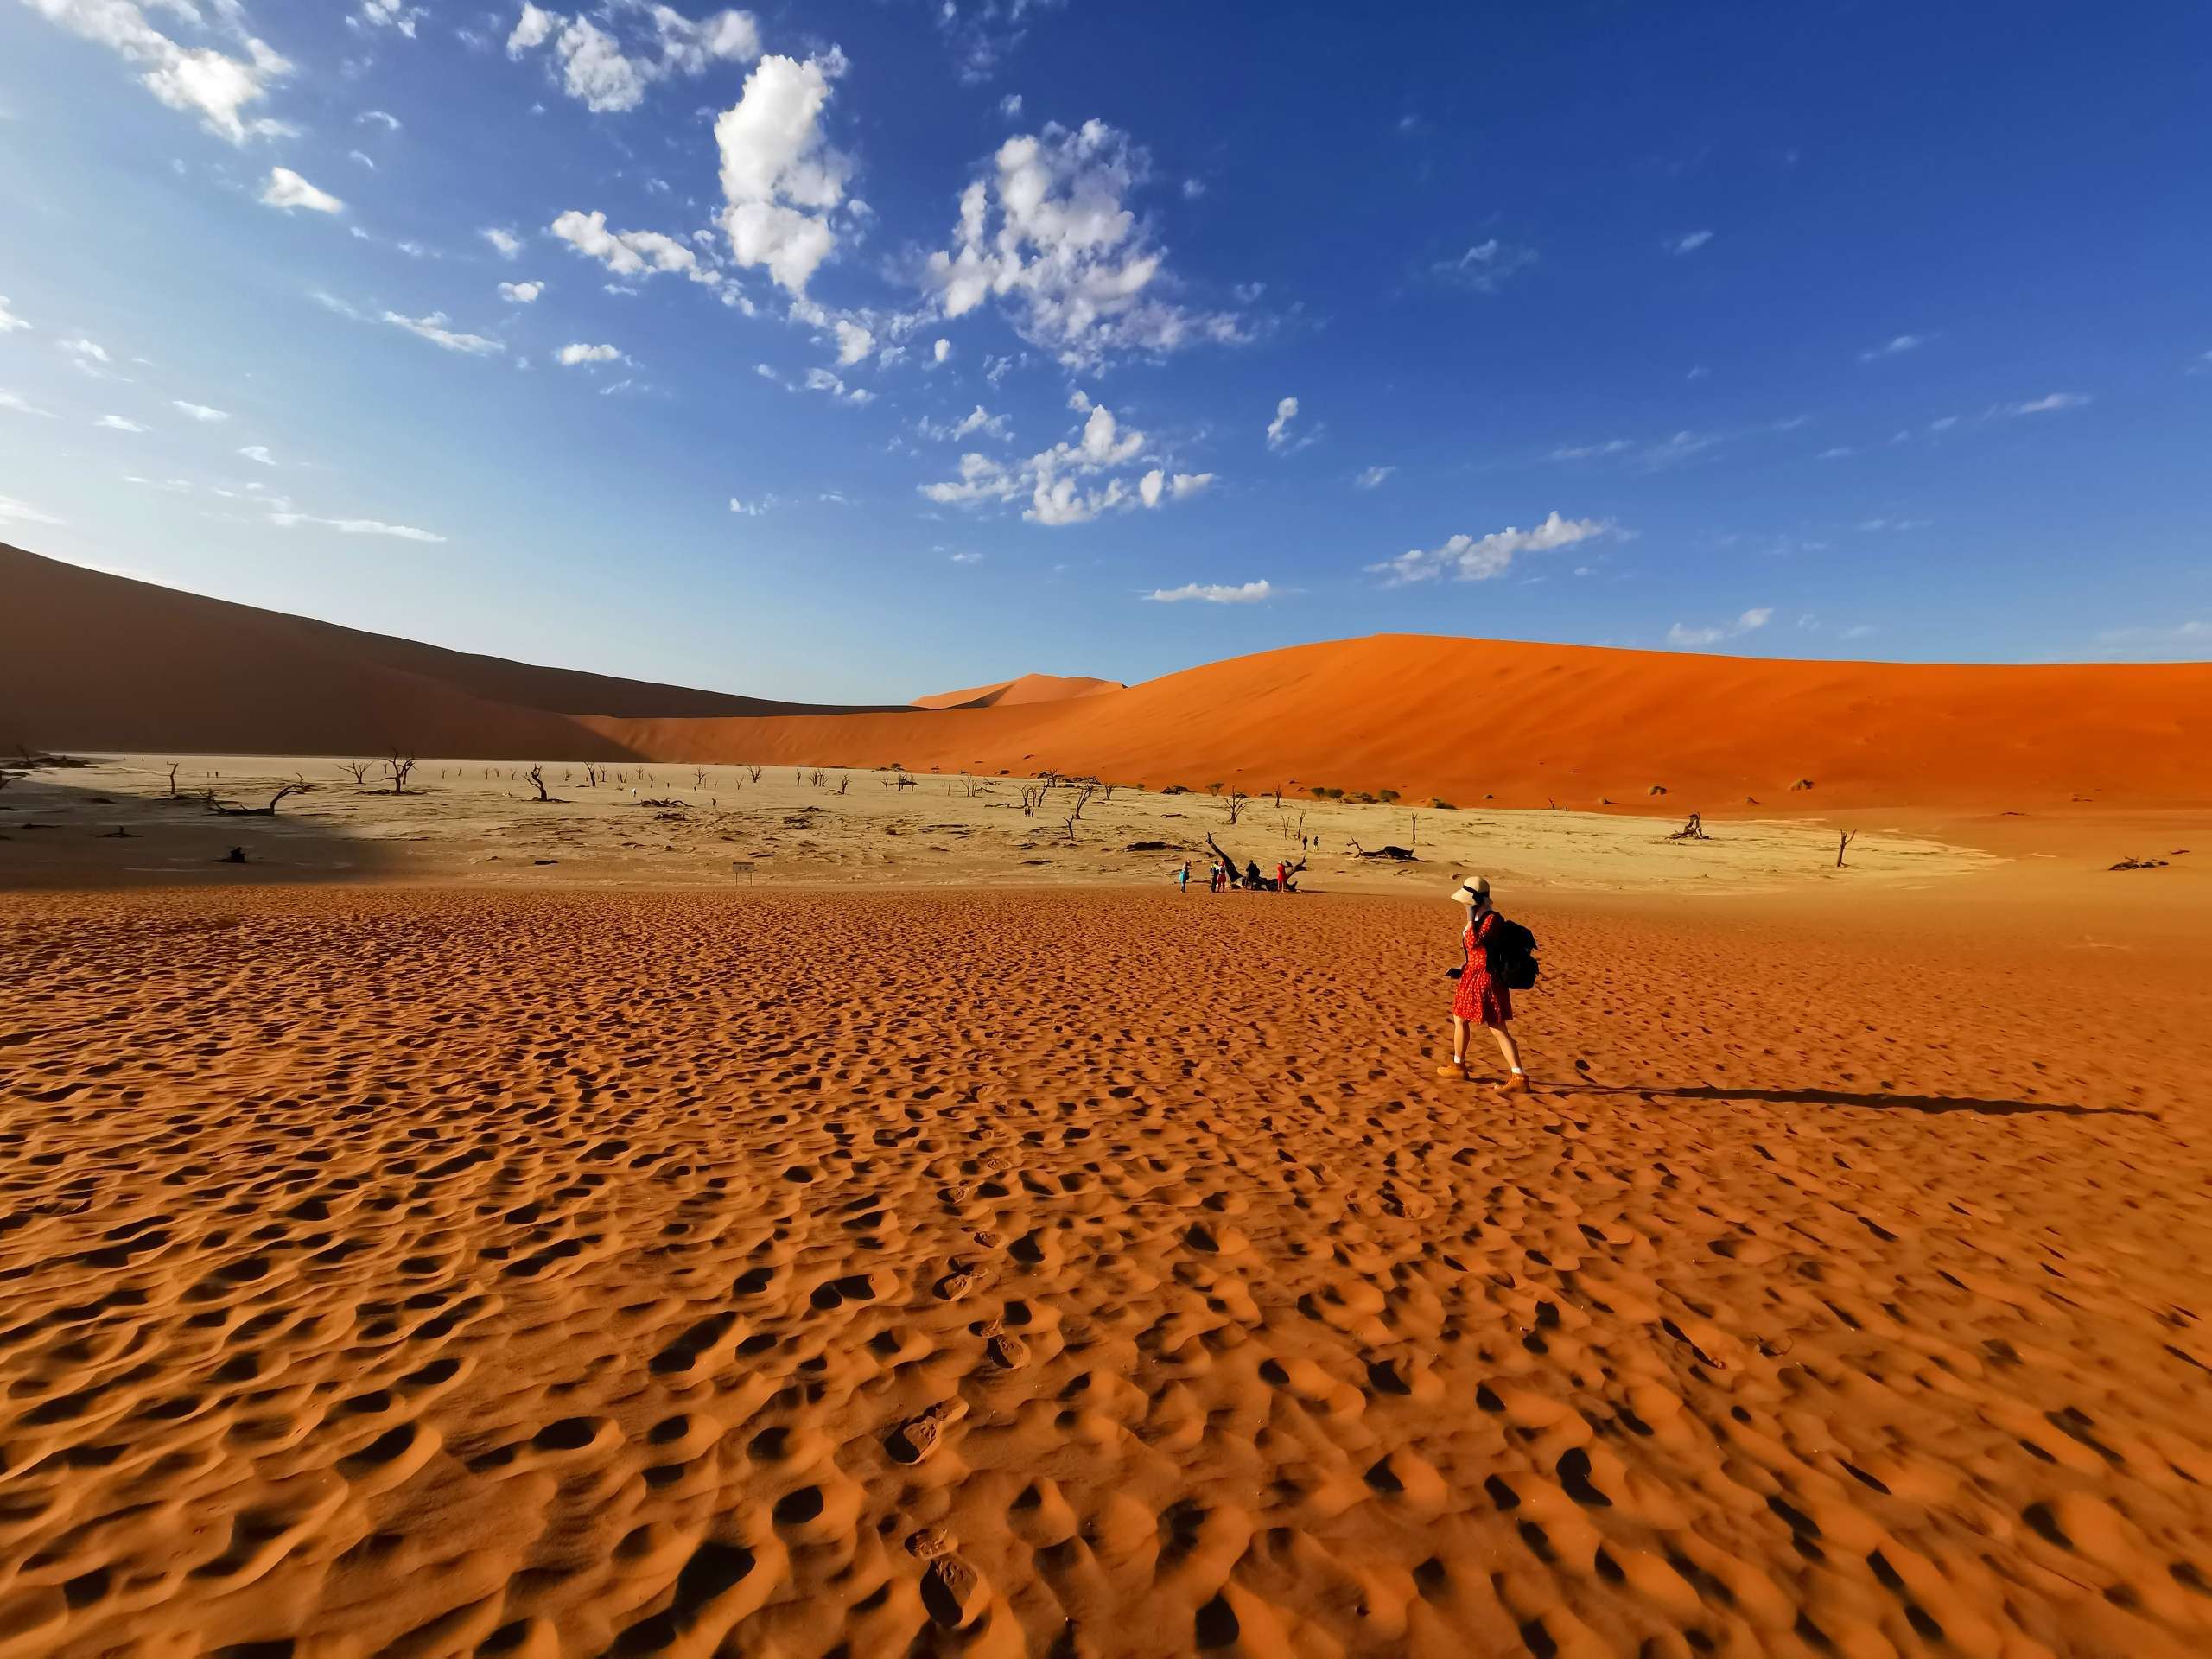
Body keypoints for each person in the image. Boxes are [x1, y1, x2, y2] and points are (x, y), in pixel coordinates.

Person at [1438, 875, 1528, 1092]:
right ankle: (1458, 1065)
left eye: (1467, 901)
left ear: (1476, 901)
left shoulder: (1492, 919)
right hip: (1472, 975)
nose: (1464, 904)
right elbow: (1476, 952)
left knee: (1497, 1027)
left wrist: (1470, 920)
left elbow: (1474, 942)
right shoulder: (1480, 919)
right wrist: (1462, 967)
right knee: (1459, 1018)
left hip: (1486, 979)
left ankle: (1519, 1077)